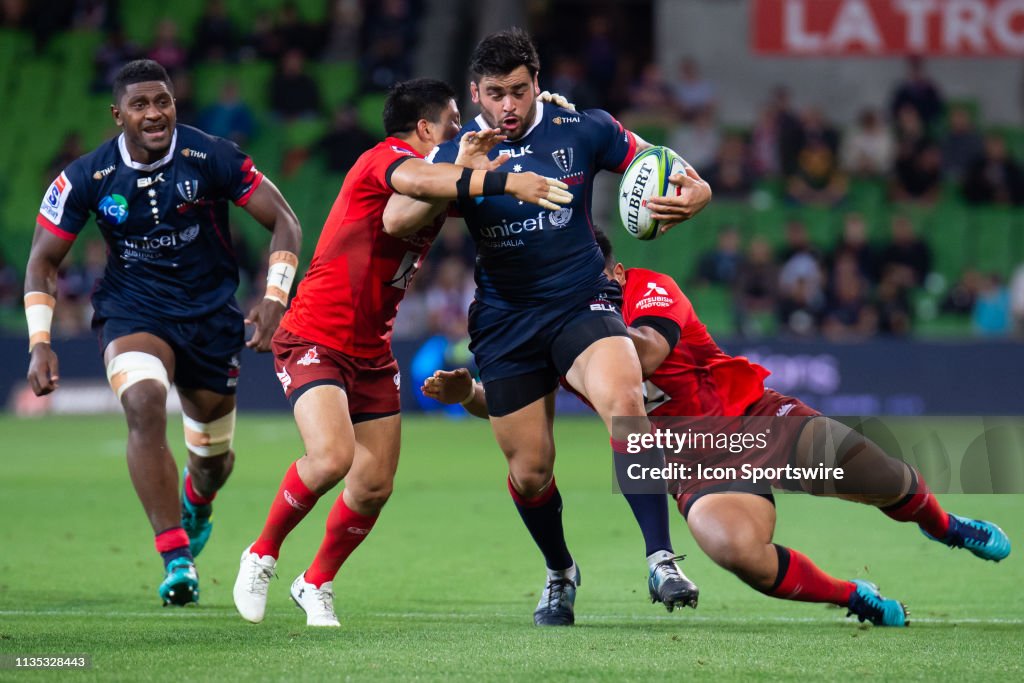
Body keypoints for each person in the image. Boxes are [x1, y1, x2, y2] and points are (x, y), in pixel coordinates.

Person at [425, 230, 1011, 627]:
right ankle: (853, 596)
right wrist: (469, 395)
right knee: (735, 550)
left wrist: (582, 326)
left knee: (880, 476)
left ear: (612, 268)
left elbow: (647, 353)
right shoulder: (547, 335)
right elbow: (516, 417)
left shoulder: (648, 287)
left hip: (751, 417)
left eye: (589, 273)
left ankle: (945, 525)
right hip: (692, 461)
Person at [383, 28, 712, 626]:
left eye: (517, 90)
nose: (506, 106)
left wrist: (700, 191)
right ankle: (561, 572)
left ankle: (661, 558)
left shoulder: (582, 129)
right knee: (530, 472)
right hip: (506, 318)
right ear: (475, 94)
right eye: (493, 93)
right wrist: (466, 170)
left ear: (537, 84)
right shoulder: (458, 149)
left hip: (579, 299)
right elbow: (395, 217)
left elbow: (663, 165)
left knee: (625, 399)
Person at [231, 78, 573, 627]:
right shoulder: (385, 158)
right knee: (332, 457)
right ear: (422, 128)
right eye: (453, 120)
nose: (461, 127)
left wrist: (541, 123)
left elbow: (439, 201)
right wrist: (504, 179)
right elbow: (418, 181)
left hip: (371, 349)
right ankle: (262, 553)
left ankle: (315, 582)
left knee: (372, 485)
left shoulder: (437, 174)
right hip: (317, 332)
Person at [24, 59, 303, 606]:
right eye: (140, 104)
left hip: (210, 318)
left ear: (175, 103)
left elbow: (285, 221)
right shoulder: (87, 176)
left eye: (163, 102)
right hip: (134, 312)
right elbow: (42, 262)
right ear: (117, 114)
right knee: (145, 402)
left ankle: (197, 502)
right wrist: (40, 341)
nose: (154, 114)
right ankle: (176, 557)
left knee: (213, 461)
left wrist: (274, 299)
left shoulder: (212, 155)